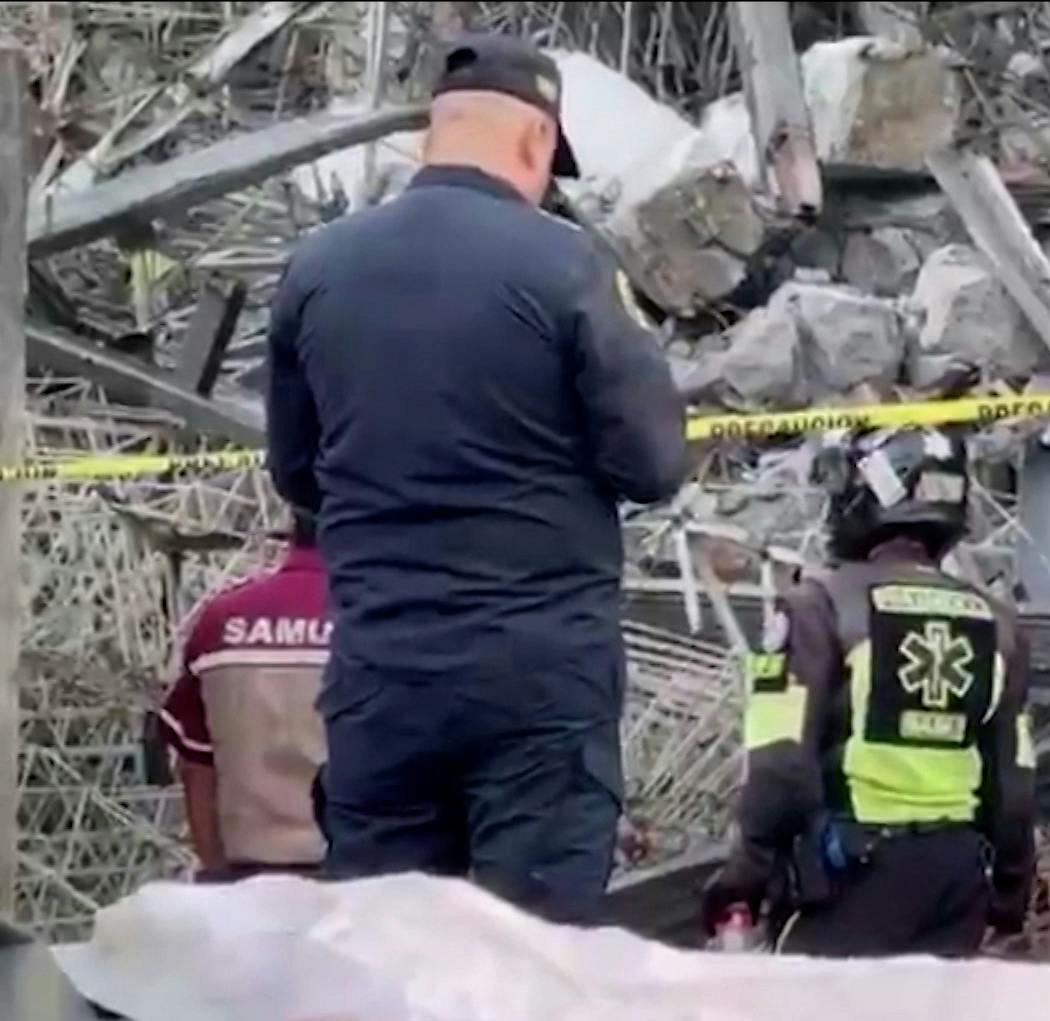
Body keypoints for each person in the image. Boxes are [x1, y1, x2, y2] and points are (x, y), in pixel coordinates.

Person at [264, 34, 688, 925]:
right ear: (535, 140)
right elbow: (653, 465)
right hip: (537, 684)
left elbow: (297, 475)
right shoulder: (566, 265)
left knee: (385, 963)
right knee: (529, 968)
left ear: (435, 131)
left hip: (384, 680)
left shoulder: (317, 269)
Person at [700, 426, 1037, 957]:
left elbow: (781, 766)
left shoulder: (816, 607)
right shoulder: (997, 622)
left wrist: (746, 875)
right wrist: (1011, 888)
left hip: (850, 876)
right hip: (957, 880)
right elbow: (1012, 778)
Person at [153, 509, 331, 883]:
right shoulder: (380, 622)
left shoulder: (221, 619)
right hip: (359, 885)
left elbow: (196, 766)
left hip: (247, 877)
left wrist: (216, 874)